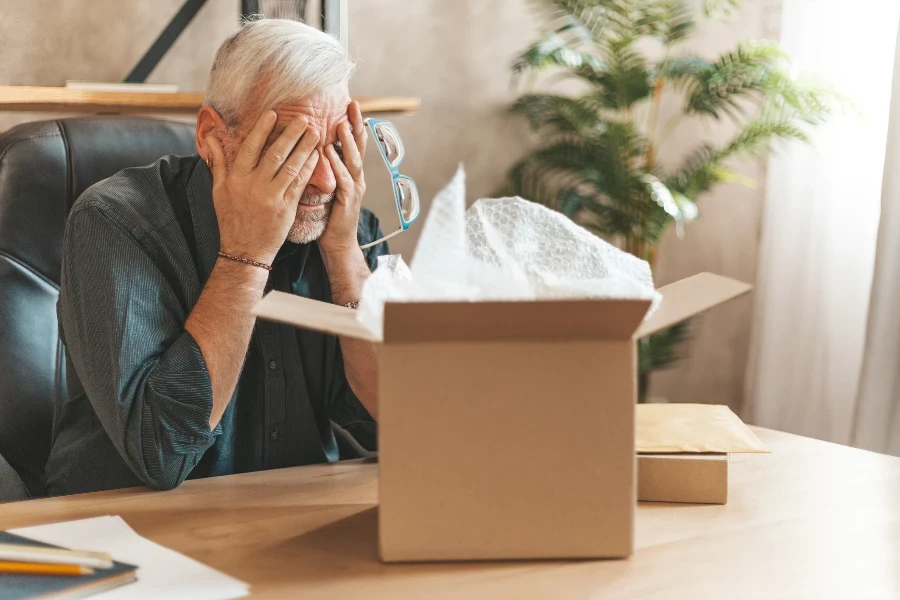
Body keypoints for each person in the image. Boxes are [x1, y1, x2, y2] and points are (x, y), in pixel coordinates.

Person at [44, 18, 385, 495]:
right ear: (211, 137)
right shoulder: (114, 221)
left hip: (293, 520)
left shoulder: (343, 223)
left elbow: (398, 424)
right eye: (291, 150)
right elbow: (163, 453)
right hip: (132, 531)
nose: (326, 182)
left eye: (335, 146)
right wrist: (246, 256)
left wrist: (345, 254)